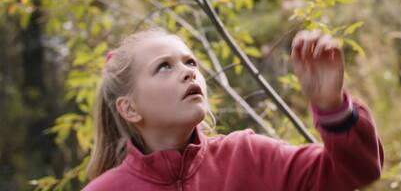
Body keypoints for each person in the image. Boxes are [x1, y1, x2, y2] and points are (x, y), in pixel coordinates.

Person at [83, 28, 384, 191]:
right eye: (163, 67)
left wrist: (333, 108)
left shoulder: (249, 155)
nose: (188, 72)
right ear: (129, 109)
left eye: (190, 62)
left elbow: (355, 173)